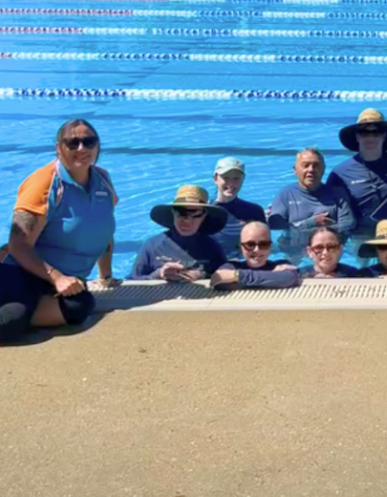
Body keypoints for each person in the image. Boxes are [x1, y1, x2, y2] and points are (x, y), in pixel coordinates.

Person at [0, 119, 116, 341]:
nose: (81, 149)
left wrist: (106, 277)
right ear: (58, 148)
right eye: (72, 143)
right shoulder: (44, 183)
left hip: (62, 284)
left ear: (98, 146)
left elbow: (104, 229)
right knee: (11, 322)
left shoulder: (103, 179)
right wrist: (58, 278)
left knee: (80, 306)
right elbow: (18, 245)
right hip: (22, 274)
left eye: (88, 142)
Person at [327, 108, 387, 248]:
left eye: (376, 132)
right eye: (364, 132)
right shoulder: (340, 174)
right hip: (361, 236)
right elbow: (336, 215)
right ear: (357, 136)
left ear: (384, 136)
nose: (370, 137)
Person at [268, 148, 356, 263]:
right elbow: (276, 227)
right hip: (296, 252)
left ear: (323, 169)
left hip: (329, 252)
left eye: (316, 165)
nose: (311, 170)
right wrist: (312, 223)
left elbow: (348, 226)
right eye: (305, 165)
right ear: (295, 170)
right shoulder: (285, 194)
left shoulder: (337, 194)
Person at [130, 185, 228, 281]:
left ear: (204, 217)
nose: (187, 221)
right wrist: (159, 274)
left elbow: (225, 279)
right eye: (181, 212)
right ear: (173, 213)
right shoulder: (152, 245)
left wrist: (202, 275)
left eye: (196, 214)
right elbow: (132, 282)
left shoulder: (212, 248)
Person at [211, 221, 301, 291]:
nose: (257, 250)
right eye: (250, 244)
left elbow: (289, 278)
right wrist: (272, 278)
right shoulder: (232, 265)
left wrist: (237, 276)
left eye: (263, 244)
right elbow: (219, 281)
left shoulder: (281, 264)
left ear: (270, 246)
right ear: (240, 247)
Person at [210, 157, 266, 259]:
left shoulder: (255, 211)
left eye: (236, 178)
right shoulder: (204, 210)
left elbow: (263, 247)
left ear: (243, 179)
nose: (231, 183)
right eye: (226, 177)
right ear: (215, 179)